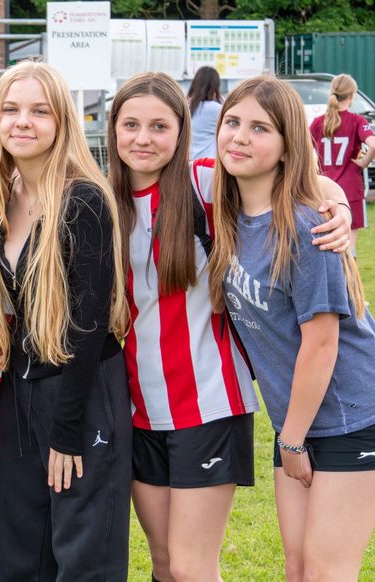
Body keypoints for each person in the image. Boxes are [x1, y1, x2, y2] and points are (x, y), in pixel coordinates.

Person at [106, 71, 352, 582]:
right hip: (141, 410)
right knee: (166, 563)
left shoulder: (203, 184)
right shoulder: (102, 201)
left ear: (182, 129)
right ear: (112, 130)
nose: (144, 138)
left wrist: (342, 206)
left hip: (211, 404)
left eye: (159, 126)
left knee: (194, 565)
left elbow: (300, 178)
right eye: (130, 125)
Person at [208, 75, 375, 582]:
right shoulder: (230, 213)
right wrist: (292, 435)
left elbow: (322, 345)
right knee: (298, 567)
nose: (240, 136)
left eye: (260, 128)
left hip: (351, 416)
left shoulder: (306, 225)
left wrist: (293, 441)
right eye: (232, 122)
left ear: (286, 147)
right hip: (296, 422)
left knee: (327, 572)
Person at [0, 60, 132, 581]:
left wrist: (67, 432)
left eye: (39, 111)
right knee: (23, 558)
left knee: (83, 558)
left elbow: (90, 328)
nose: (24, 122)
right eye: (12, 110)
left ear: (62, 121)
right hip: (18, 396)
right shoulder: (1, 198)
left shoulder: (83, 199)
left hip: (80, 395)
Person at [309, 73, 375, 255]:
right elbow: (373, 145)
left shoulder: (317, 122)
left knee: (326, 245)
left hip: (323, 190)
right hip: (350, 190)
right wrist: (363, 162)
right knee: (348, 250)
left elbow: (301, 149)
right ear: (352, 96)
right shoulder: (357, 121)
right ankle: (349, 284)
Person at [188, 66, 223, 159]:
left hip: (189, 160)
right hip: (208, 162)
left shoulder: (188, 105)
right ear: (215, 86)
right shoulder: (215, 108)